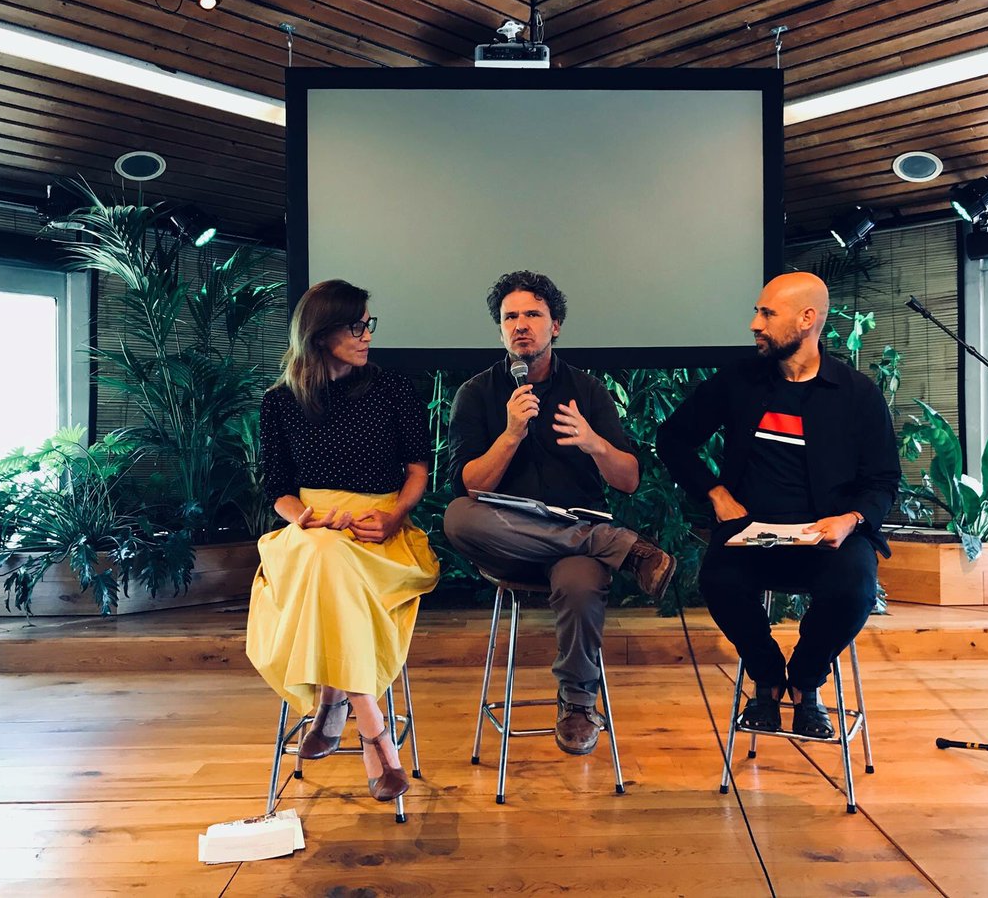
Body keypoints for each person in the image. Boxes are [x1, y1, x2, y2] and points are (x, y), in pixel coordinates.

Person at [656, 272, 900, 738]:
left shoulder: (856, 393)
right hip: (752, 531)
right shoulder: (739, 381)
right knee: (718, 580)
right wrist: (715, 493)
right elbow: (672, 438)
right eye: (757, 312)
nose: (755, 324)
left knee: (855, 589)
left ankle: (806, 682)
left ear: (807, 319)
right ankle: (766, 677)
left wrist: (851, 520)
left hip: (828, 536)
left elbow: (884, 479)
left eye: (767, 314)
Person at [442, 270, 676, 757]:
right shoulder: (476, 394)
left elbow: (629, 480)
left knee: (580, 583)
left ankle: (578, 703)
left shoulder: (588, 391)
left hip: (574, 542)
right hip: (511, 541)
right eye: (510, 317)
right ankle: (616, 545)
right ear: (499, 330)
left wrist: (594, 444)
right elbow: (469, 486)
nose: (520, 325)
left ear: (556, 326)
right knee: (459, 516)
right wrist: (510, 434)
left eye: (533, 314)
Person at [246, 279, 439, 802]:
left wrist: (394, 516)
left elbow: (418, 470)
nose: (366, 335)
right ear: (320, 333)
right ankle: (374, 729)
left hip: (380, 533)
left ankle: (333, 704)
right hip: (311, 532)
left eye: (367, 325)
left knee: (330, 568)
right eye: (355, 326)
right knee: (324, 556)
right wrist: (304, 520)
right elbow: (278, 490)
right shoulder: (279, 401)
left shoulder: (392, 388)